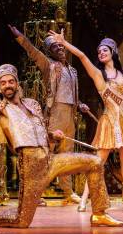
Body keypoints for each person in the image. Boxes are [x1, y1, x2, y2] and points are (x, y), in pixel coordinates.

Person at [0, 63, 123, 227]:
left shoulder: (33, 104)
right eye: (3, 83)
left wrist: (53, 136)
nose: (7, 85)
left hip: (50, 161)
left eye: (11, 81)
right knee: (22, 221)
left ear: (17, 84)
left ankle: (99, 214)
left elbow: (41, 133)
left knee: (95, 162)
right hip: (30, 169)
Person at [48, 31, 123, 210]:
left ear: (113, 51)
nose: (101, 53)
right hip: (109, 120)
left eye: (104, 50)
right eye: (99, 51)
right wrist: (65, 43)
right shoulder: (98, 74)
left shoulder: (122, 74)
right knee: (98, 162)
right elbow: (83, 56)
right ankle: (85, 199)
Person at [9, 25, 90, 204]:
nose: (60, 49)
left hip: (70, 113)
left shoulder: (72, 70)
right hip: (55, 114)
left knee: (66, 155)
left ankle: (68, 191)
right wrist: (20, 38)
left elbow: (71, 93)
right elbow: (33, 51)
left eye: (61, 46)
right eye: (55, 47)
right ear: (50, 52)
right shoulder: (49, 66)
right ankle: (35, 192)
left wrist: (80, 105)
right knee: (47, 154)